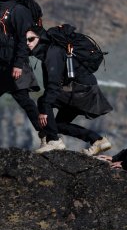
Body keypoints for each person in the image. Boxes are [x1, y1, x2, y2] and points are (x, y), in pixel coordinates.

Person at [25, 25, 112, 155]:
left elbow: (53, 85)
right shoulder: (49, 52)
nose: (27, 43)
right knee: (56, 124)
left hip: (81, 89)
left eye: (31, 39)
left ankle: (53, 141)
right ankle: (98, 140)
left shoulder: (52, 53)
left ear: (40, 38)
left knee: (44, 101)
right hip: (83, 88)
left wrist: (44, 109)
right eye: (25, 40)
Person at [0, 0, 43, 142]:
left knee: (25, 101)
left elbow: (23, 39)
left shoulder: (19, 10)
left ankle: (48, 136)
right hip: (1, 64)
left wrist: (18, 64)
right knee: (24, 100)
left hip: (14, 63)